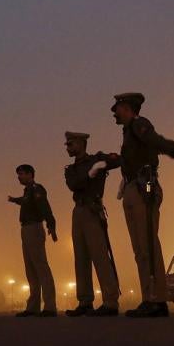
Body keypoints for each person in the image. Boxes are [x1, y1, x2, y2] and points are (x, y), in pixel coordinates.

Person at [111, 92, 174, 318]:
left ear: (127, 108)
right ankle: (148, 299)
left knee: (148, 244)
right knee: (139, 249)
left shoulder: (139, 125)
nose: (113, 112)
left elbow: (156, 141)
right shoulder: (128, 133)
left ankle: (157, 300)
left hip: (144, 188)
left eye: (117, 108)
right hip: (132, 187)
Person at [62, 131, 122, 317]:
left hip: (92, 209)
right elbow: (74, 184)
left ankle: (110, 301)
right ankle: (85, 301)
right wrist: (92, 172)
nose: (68, 148)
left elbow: (117, 161)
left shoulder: (97, 158)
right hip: (78, 210)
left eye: (71, 144)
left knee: (100, 256)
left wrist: (99, 165)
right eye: (67, 144)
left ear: (81, 143)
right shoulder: (70, 169)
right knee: (80, 258)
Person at [9, 164, 59, 317]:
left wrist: (51, 225)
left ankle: (50, 306)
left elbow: (45, 207)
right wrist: (13, 200)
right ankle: (33, 307)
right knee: (30, 269)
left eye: (22, 174)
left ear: (31, 174)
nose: (19, 177)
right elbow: (25, 201)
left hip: (34, 228)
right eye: (18, 174)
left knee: (41, 267)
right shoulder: (28, 191)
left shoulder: (37, 189)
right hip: (26, 229)